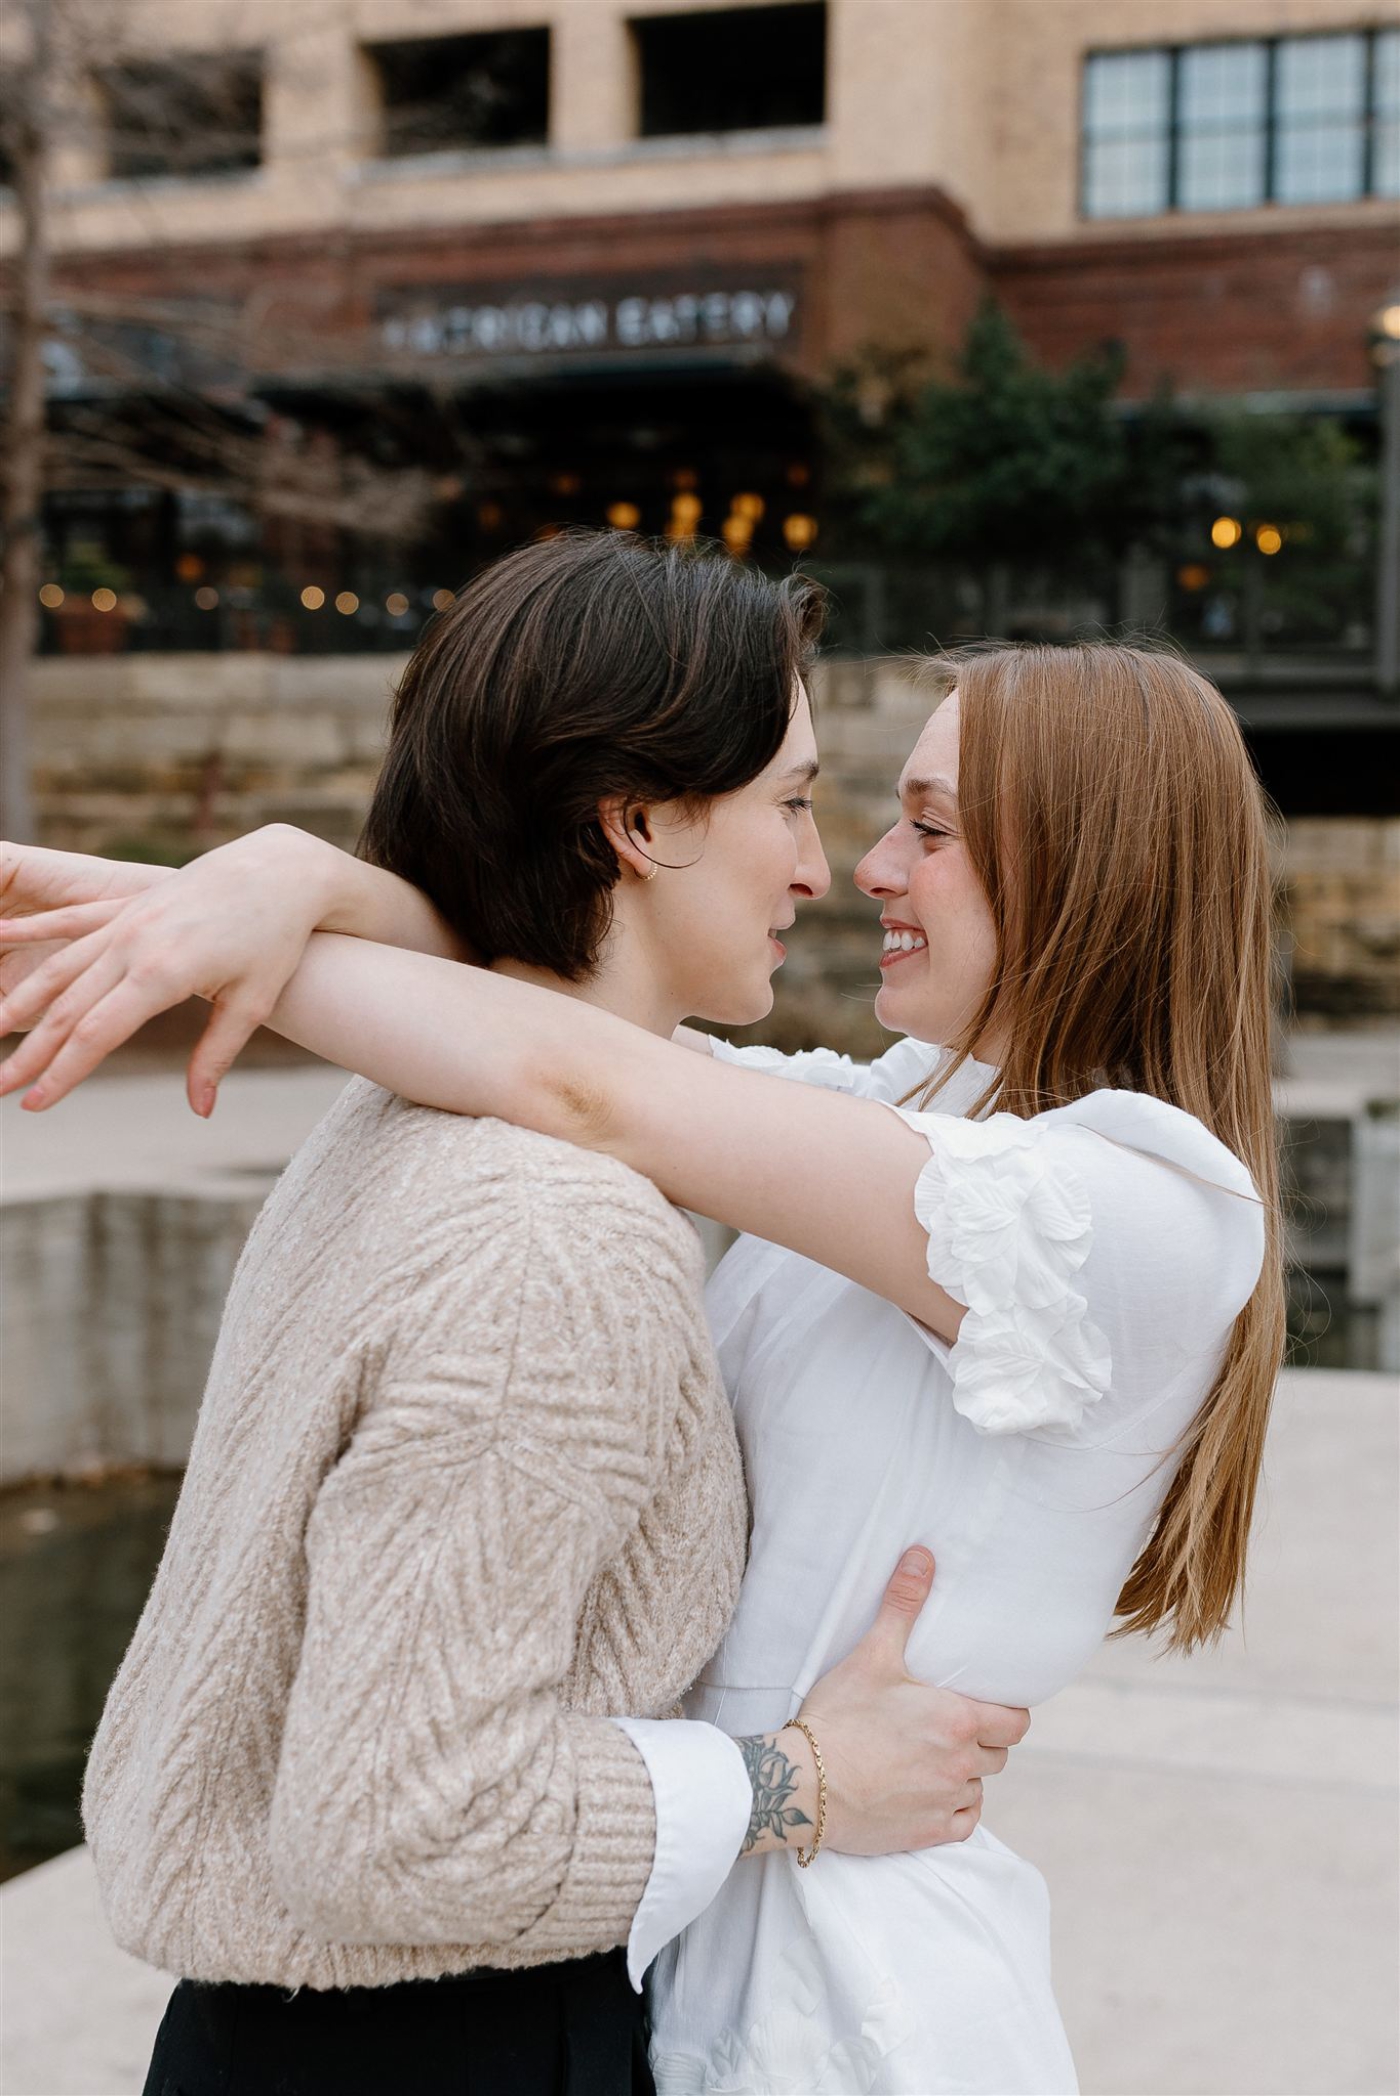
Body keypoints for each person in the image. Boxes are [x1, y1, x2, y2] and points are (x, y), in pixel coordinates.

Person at [0, 632, 1283, 2094]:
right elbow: (556, 1014)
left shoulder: (1135, 1215)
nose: (866, 865)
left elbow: (579, 1080)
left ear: (1091, 867)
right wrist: (267, 887)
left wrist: (240, 908)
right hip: (672, 1920)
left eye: (930, 829)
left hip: (842, 1995)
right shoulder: (918, 1143)